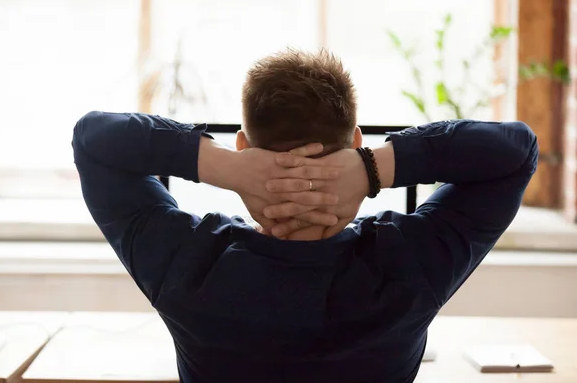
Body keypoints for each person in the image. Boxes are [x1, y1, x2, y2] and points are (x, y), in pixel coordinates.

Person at [73, 49, 538, 383]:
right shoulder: (411, 263)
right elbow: (515, 151)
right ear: (355, 142)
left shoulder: (187, 264)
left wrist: (223, 168)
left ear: (242, 145)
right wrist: (374, 168)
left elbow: (95, 140)